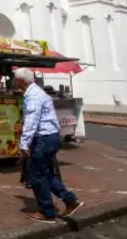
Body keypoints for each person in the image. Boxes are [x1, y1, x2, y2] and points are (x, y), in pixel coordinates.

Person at [14, 67, 83, 223]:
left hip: (44, 138)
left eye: (15, 80)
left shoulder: (33, 96)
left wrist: (24, 144)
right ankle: (70, 201)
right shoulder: (36, 92)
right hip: (50, 137)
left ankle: (47, 212)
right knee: (45, 173)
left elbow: (32, 121)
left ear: (20, 81)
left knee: (36, 175)